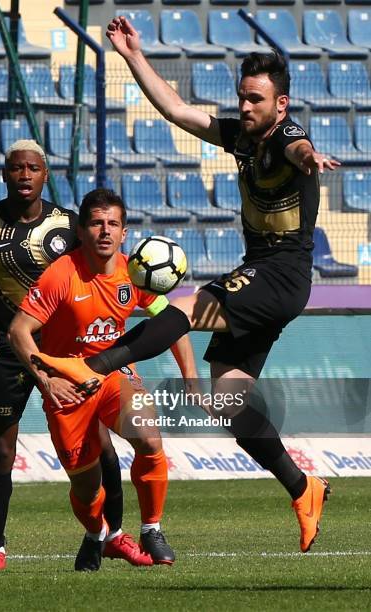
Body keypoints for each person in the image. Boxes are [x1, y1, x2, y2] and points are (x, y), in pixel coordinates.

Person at [31, 20, 342, 554]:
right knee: (226, 399)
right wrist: (132, 53)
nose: (245, 107)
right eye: (242, 97)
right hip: (263, 273)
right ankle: (303, 487)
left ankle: (95, 366)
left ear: (281, 104)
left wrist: (311, 159)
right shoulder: (241, 136)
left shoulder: (289, 137)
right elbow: (176, 110)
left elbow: (300, 149)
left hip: (281, 273)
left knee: (182, 308)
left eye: (255, 99)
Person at [0, 140, 148, 571]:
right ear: (4, 174)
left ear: (45, 174)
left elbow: (103, 281)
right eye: (16, 168)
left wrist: (115, 349)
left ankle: (111, 536)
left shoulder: (72, 224)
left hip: (69, 355)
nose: (24, 175)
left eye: (32, 168)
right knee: (0, 451)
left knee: (102, 448)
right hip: (2, 350)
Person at [7, 188, 198, 570]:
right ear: (81, 230)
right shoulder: (61, 274)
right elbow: (18, 332)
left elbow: (171, 323)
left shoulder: (137, 273)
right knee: (86, 485)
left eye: (113, 224)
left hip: (114, 376)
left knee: (148, 435)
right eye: (96, 223)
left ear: (124, 233)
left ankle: (152, 528)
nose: (105, 231)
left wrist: (191, 375)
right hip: (67, 386)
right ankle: (97, 535)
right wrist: (47, 380)